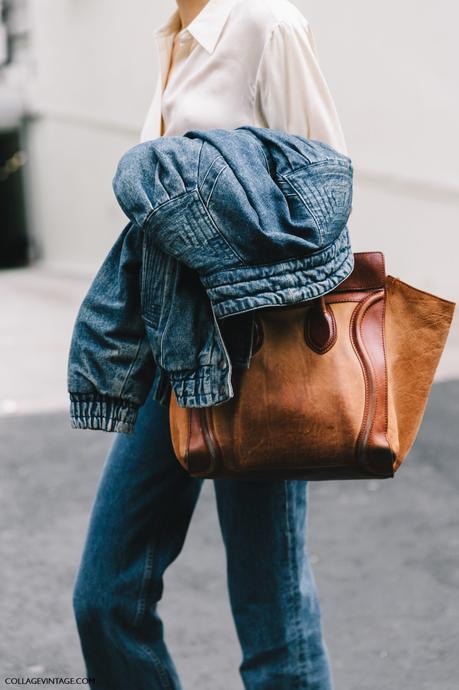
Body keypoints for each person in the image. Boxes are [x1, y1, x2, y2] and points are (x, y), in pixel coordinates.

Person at [72, 1, 349, 688]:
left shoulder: (265, 24)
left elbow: (324, 188)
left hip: (256, 347)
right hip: (171, 334)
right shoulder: (177, 36)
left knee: (270, 610)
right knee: (104, 597)